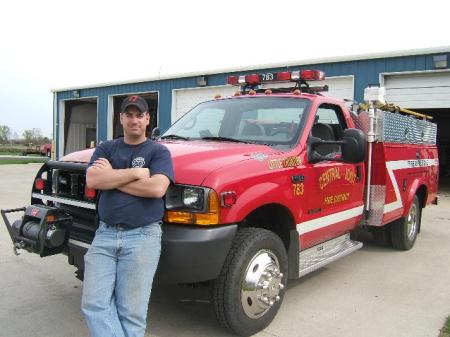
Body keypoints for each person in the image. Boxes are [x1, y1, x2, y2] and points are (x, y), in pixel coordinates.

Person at [81, 95, 174, 337]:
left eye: (139, 115)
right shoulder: (106, 148)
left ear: (147, 119)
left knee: (131, 313)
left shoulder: (158, 151)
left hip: (143, 237)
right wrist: (135, 173)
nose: (134, 120)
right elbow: (93, 179)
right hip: (105, 235)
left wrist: (111, 178)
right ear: (121, 118)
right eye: (129, 115)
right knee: (93, 304)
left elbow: (156, 189)